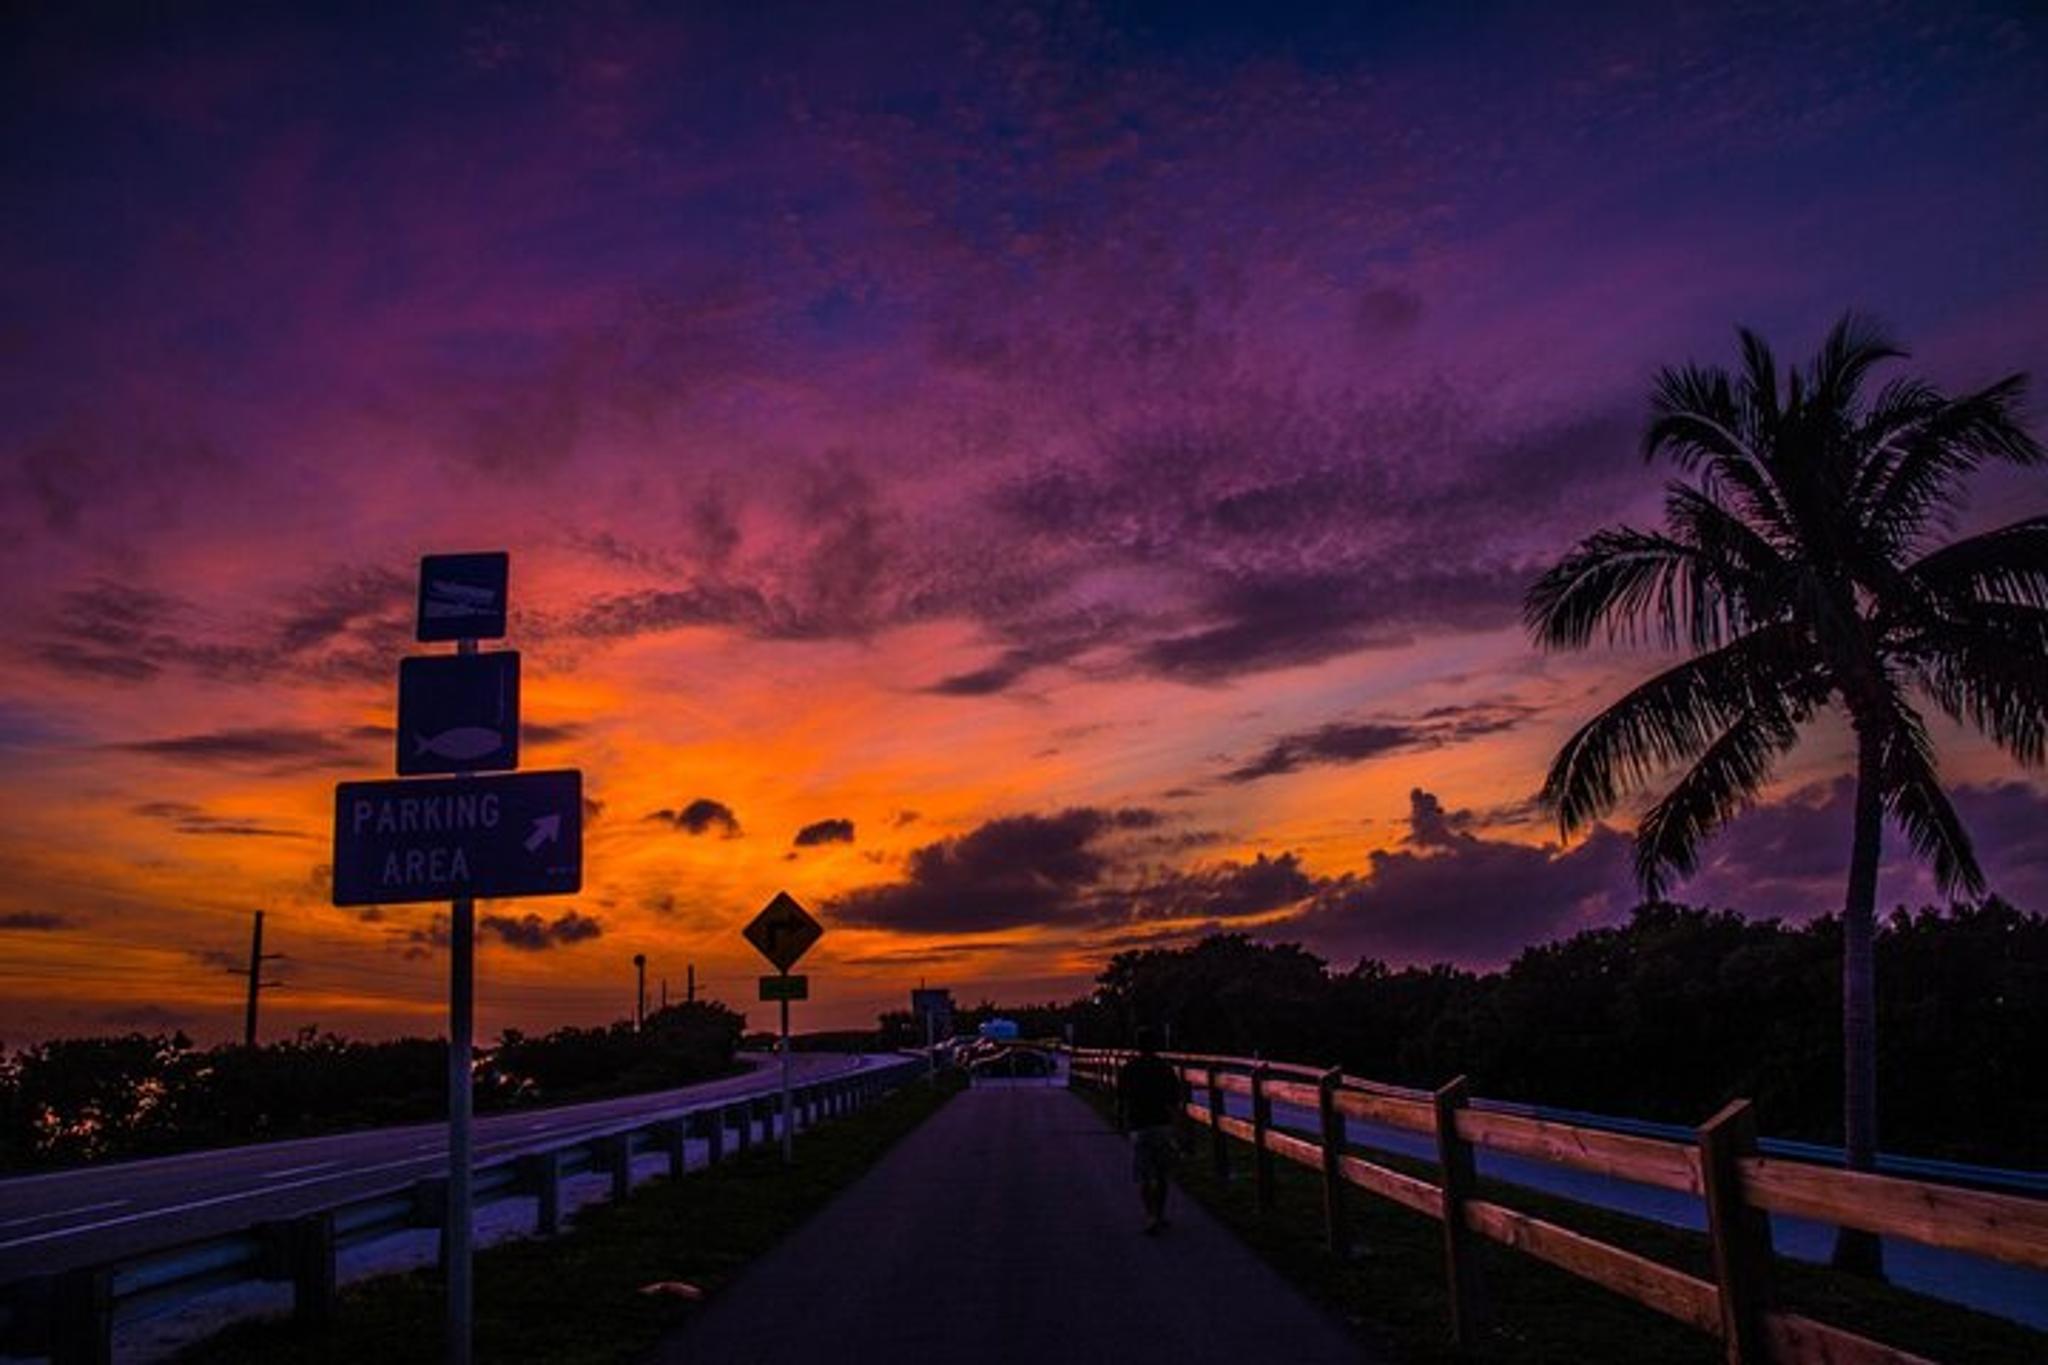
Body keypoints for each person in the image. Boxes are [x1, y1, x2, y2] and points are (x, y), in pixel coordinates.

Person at [1117, 1027, 1185, 1234]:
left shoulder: (1129, 1068)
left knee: (1144, 1174)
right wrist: (1179, 1128)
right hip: (1161, 1124)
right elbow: (1174, 1101)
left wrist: (1123, 1121)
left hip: (1139, 1125)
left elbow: (1122, 1098)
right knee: (1162, 1173)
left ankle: (1150, 1216)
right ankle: (1161, 1213)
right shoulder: (1165, 1068)